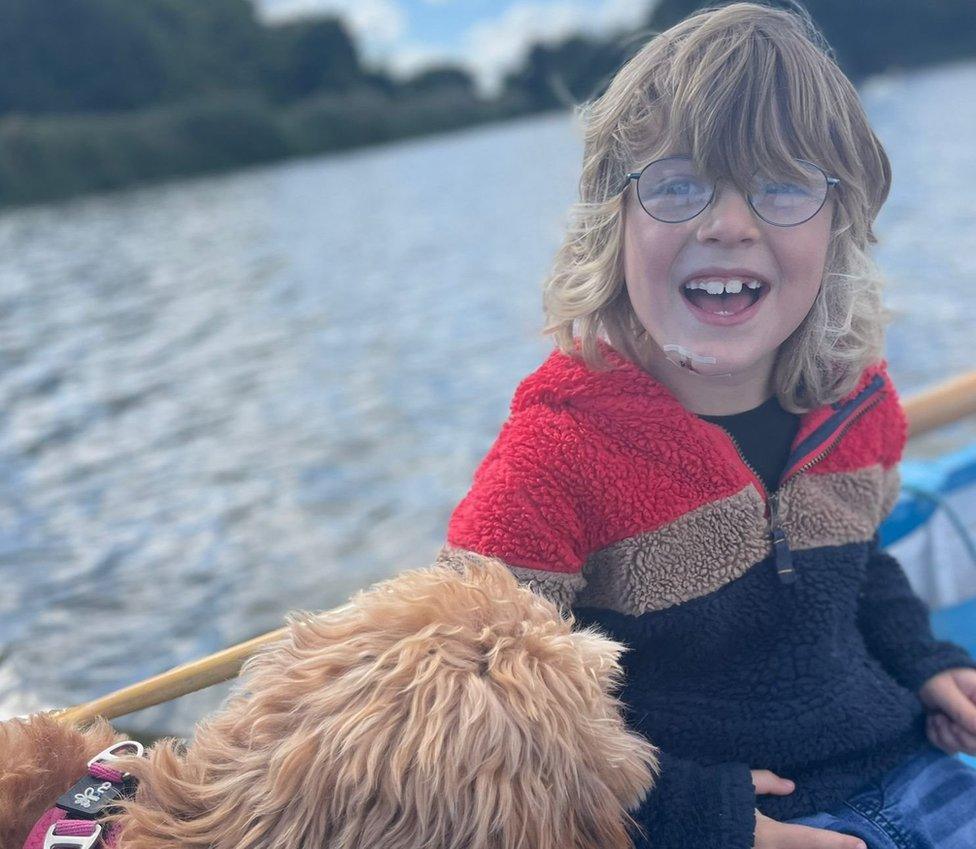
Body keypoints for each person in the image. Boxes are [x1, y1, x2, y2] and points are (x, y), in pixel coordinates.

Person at [435, 2, 976, 848]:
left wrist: (929, 663)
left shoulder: (856, 401)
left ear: (840, 225)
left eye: (784, 184)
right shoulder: (553, 458)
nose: (729, 222)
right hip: (713, 821)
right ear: (612, 223)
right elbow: (478, 715)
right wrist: (700, 816)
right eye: (679, 183)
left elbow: (860, 565)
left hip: (910, 761)